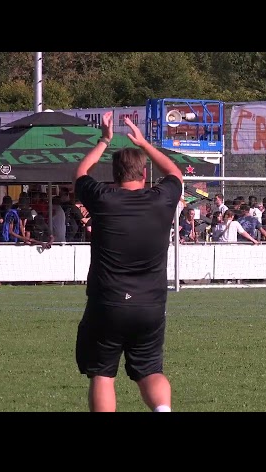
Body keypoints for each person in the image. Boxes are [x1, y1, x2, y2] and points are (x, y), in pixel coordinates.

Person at [73, 110, 183, 413]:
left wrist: (104, 140)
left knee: (103, 373)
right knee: (150, 370)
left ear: (114, 175)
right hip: (150, 305)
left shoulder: (104, 198)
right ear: (144, 174)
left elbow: (81, 173)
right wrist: (146, 144)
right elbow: (176, 174)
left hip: (108, 302)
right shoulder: (161, 199)